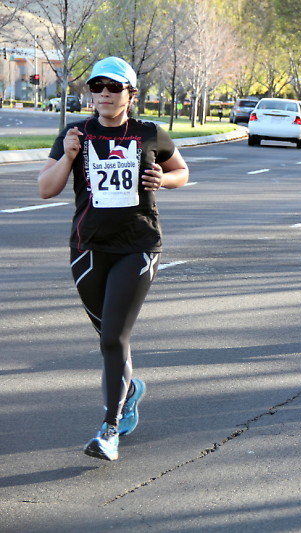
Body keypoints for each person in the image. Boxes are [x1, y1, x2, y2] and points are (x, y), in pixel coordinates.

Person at [37, 57, 189, 461]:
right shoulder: (75, 134)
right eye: (97, 86)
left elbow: (182, 172)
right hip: (87, 248)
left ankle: (109, 430)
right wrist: (69, 157)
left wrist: (165, 179)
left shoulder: (149, 133)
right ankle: (130, 389)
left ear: (130, 94)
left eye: (114, 87)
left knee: (112, 338)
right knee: (108, 336)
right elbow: (45, 189)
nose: (104, 93)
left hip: (138, 245)